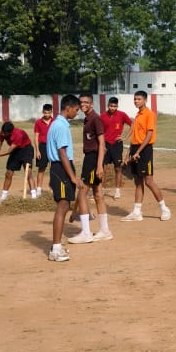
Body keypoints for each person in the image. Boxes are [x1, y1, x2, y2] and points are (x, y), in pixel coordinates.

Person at [69, 93, 112, 242]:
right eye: (81, 102)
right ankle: (105, 230)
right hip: (91, 158)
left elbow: (102, 144)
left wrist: (99, 165)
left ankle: (86, 233)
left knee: (82, 193)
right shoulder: (87, 119)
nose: (83, 104)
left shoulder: (95, 119)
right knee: (98, 194)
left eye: (86, 102)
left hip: (93, 159)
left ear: (92, 104)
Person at [123, 91, 171, 222]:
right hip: (135, 148)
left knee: (148, 181)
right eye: (135, 99)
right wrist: (129, 154)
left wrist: (138, 151)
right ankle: (137, 212)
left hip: (144, 150)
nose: (136, 101)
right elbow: (134, 137)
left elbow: (149, 135)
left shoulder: (150, 114)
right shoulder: (138, 115)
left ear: (145, 100)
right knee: (137, 181)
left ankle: (165, 209)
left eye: (139, 99)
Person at [46, 94, 81, 262]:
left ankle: (57, 245)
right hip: (61, 168)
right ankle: (56, 248)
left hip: (59, 168)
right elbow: (62, 153)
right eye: (76, 109)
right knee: (63, 206)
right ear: (68, 108)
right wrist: (73, 177)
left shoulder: (58, 124)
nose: (77, 112)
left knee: (65, 205)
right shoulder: (60, 126)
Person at [0, 121, 37, 201]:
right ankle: (3, 196)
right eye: (2, 132)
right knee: (8, 173)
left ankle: (34, 196)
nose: (3, 134)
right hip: (15, 151)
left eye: (5, 133)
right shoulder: (2, 133)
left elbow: (9, 151)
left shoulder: (18, 134)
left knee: (28, 172)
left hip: (26, 149)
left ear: (10, 132)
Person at [101, 96, 132, 199]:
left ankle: (117, 191)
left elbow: (133, 124)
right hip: (105, 145)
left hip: (117, 144)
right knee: (103, 168)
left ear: (117, 106)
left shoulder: (122, 115)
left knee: (117, 168)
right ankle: (102, 189)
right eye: (111, 106)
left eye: (114, 106)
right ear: (108, 105)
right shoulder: (102, 116)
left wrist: (125, 137)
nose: (112, 108)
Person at [33, 103, 54, 195]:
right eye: (45, 113)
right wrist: (37, 150)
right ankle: (39, 190)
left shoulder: (55, 121)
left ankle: (53, 188)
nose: (47, 115)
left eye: (49, 113)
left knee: (54, 168)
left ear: (51, 112)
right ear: (42, 112)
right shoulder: (38, 122)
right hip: (42, 146)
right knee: (41, 168)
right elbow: (36, 137)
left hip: (53, 146)